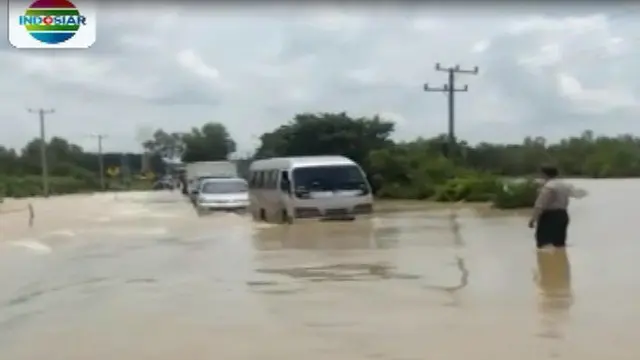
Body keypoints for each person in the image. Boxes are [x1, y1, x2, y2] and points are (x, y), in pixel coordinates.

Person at [528, 165, 575, 249]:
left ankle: (546, 261)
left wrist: (533, 219)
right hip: (563, 215)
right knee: (559, 245)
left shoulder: (549, 187)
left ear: (544, 174)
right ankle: (560, 261)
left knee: (544, 245)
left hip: (550, 217)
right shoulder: (565, 185)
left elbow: (540, 205)